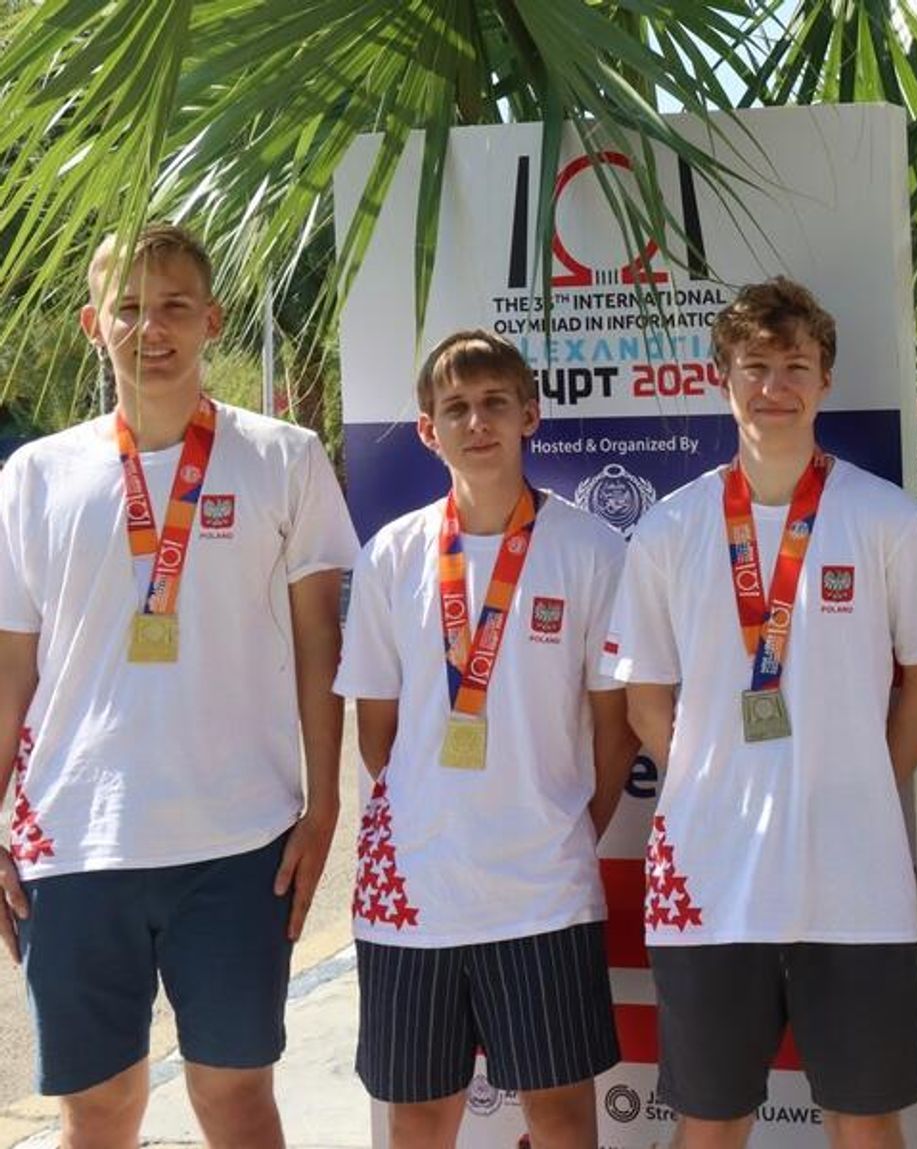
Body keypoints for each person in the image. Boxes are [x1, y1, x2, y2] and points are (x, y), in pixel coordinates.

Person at [0, 223, 357, 1148]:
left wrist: (324, 806)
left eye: (173, 307)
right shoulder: (35, 476)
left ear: (212, 321)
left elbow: (321, 645)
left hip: (239, 838)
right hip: (75, 840)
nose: (149, 329)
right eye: (128, 308)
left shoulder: (285, 456)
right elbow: (11, 670)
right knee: (99, 1109)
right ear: (93, 324)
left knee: (235, 1098)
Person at [604, 277, 917, 1149]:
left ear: (825, 379)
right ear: (719, 376)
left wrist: (862, 779)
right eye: (755, 365)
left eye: (795, 365)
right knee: (710, 1120)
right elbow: (643, 693)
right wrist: (709, 776)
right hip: (711, 876)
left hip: (853, 879)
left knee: (866, 1119)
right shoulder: (670, 528)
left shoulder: (884, 518)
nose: (774, 385)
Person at [334, 330, 632, 1149]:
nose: (477, 422)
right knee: (421, 1117)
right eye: (456, 408)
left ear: (529, 414)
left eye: (495, 402)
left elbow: (615, 733)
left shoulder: (591, 549)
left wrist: (562, 827)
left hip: (544, 889)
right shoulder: (392, 555)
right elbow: (377, 735)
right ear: (427, 430)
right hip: (415, 892)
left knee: (561, 1113)